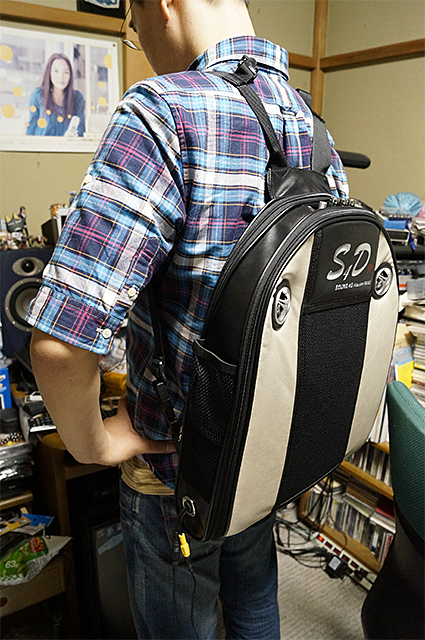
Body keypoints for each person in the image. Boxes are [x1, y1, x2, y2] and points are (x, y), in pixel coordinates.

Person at [27, 0, 349, 638]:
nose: (142, 42)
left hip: (174, 472)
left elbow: (61, 343)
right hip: (264, 455)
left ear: (164, 6)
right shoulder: (313, 128)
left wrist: (94, 445)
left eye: (134, 25)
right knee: (254, 605)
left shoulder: (162, 112)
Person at [26, 52, 85, 137]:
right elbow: (31, 128)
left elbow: (80, 129)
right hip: (42, 144)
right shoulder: (38, 95)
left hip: (67, 145)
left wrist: (74, 136)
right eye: (56, 71)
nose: (61, 77)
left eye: (66, 72)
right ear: (49, 73)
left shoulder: (77, 98)